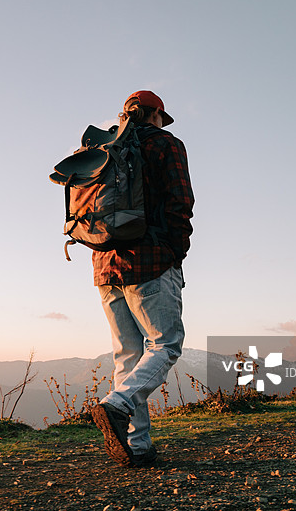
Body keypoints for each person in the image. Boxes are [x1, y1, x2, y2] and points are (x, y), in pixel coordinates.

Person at [89, 90, 194, 468]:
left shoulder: (106, 146)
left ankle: (137, 446)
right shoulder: (166, 144)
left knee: (128, 355)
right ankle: (118, 405)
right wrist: (175, 252)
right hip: (150, 260)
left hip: (105, 263)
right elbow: (181, 201)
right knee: (166, 345)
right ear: (155, 116)